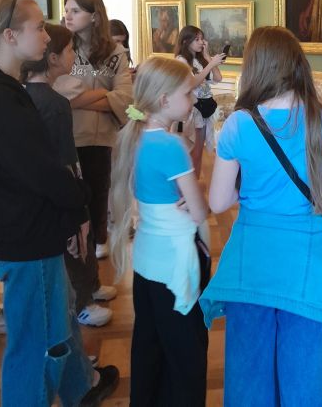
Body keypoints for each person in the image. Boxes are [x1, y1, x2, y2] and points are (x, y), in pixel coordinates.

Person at [199, 26, 322, 406]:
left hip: (252, 259)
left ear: (255, 67)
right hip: (307, 262)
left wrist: (249, 189)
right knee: (305, 380)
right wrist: (317, 187)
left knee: (248, 377)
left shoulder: (239, 123)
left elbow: (219, 202)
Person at [0, 0, 119, 405]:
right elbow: (42, 171)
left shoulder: (11, 90)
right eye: (38, 28)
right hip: (27, 238)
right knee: (37, 344)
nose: (49, 36)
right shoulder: (5, 98)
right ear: (10, 36)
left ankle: (81, 388)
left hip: (25, 229)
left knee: (56, 323)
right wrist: (79, 203)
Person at [110, 56, 209, 406]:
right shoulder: (171, 145)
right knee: (185, 354)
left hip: (146, 258)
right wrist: (199, 196)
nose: (193, 99)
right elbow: (199, 211)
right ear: (165, 99)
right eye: (188, 93)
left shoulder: (133, 136)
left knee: (149, 343)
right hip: (174, 261)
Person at [22, 23, 118, 327]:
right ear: (53, 58)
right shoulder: (53, 103)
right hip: (62, 187)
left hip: (54, 185)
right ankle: (82, 303)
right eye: (69, 51)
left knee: (81, 241)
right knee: (76, 241)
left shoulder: (31, 96)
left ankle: (90, 287)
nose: (74, 56)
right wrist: (76, 200)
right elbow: (64, 158)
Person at [55, 0, 132, 261]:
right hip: (68, 136)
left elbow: (125, 97)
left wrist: (82, 100)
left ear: (94, 16)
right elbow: (60, 93)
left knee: (98, 195)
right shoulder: (61, 46)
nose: (68, 15)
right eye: (66, 9)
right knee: (71, 198)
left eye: (75, 10)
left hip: (101, 139)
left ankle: (98, 246)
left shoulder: (115, 52)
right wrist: (104, 95)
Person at [175, 26, 226, 179]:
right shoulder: (181, 60)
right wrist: (211, 64)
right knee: (193, 151)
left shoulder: (199, 60)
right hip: (193, 108)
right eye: (196, 39)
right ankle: (190, 184)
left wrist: (208, 56)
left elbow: (218, 78)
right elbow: (192, 83)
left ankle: (195, 182)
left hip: (205, 107)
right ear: (186, 41)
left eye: (202, 39)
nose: (201, 42)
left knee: (199, 152)